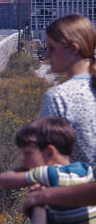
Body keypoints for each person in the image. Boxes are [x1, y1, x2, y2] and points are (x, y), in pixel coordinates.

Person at [0, 117, 95, 223]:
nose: (24, 161)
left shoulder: (53, 174)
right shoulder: (83, 169)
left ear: (49, 152)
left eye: (27, 154)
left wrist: (27, 170)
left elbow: (4, 180)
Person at [40, 14, 96, 173]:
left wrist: (19, 178)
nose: (47, 55)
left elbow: (51, 164)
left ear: (73, 49)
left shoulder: (58, 97)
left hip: (79, 194)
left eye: (52, 48)